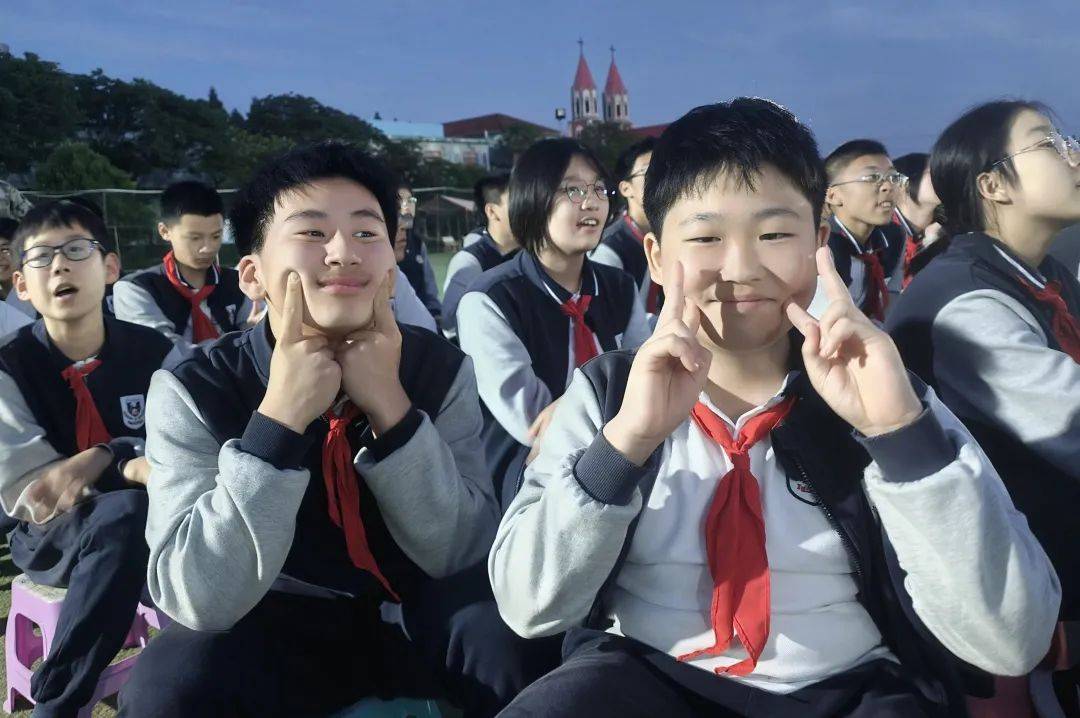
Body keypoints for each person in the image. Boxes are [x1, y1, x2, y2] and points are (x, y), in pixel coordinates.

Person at [489, 98, 1060, 718]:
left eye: (775, 234)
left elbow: (1012, 641)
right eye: (705, 237)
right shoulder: (608, 395)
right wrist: (624, 445)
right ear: (655, 256)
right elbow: (528, 607)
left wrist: (901, 438)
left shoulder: (882, 391)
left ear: (819, 243)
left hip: (849, 685)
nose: (741, 268)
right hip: (645, 674)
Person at [118, 142, 559, 718]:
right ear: (251, 275)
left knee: (518, 641)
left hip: (416, 606)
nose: (343, 252)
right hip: (273, 617)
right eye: (312, 232)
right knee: (167, 685)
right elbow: (198, 597)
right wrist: (277, 423)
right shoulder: (195, 389)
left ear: (391, 269)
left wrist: (393, 410)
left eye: (367, 233)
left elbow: (463, 549)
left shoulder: (440, 370)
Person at [888, 101, 1080, 711]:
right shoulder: (965, 303)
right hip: (1021, 598)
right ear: (993, 185)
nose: (1074, 156)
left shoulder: (1041, 274)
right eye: (1050, 144)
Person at [0, 199, 172, 717]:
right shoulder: (10, 367)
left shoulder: (156, 353)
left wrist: (112, 454)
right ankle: (59, 701)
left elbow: (192, 442)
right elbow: (40, 494)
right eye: (41, 257)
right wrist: (125, 461)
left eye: (76, 250)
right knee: (124, 514)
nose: (59, 265)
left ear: (110, 267)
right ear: (21, 285)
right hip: (49, 536)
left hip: (160, 515)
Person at [457, 138, 651, 509]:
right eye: (573, 190)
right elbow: (533, 424)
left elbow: (648, 380)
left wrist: (578, 403)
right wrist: (620, 386)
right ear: (533, 198)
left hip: (623, 467)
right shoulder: (489, 300)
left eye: (599, 189)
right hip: (528, 484)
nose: (591, 202)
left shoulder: (618, 287)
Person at [113, 181, 252, 347]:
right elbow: (160, 349)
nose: (207, 248)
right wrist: (240, 345)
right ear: (164, 231)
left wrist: (258, 333)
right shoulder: (136, 289)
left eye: (216, 236)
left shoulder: (240, 282)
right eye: (195, 238)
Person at [824, 140, 907, 321]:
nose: (888, 186)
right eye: (872, 178)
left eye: (893, 177)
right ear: (833, 195)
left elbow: (891, 294)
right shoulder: (822, 246)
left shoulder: (893, 236)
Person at [590, 138, 663, 319]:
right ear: (625, 188)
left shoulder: (670, 235)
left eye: (665, 169)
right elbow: (610, 318)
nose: (661, 177)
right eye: (649, 171)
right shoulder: (609, 249)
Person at [440, 174, 519, 341]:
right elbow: (451, 325)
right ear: (492, 211)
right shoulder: (470, 262)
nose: (528, 209)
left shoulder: (532, 254)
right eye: (518, 202)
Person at [891, 153, 943, 288]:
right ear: (902, 184)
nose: (943, 178)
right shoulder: (882, 239)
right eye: (932, 173)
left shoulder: (947, 235)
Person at [395, 184, 443, 322]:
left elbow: (430, 290)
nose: (406, 206)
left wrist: (435, 315)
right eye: (400, 201)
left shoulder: (417, 243)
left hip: (423, 320)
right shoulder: (382, 243)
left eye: (410, 201)